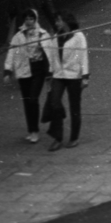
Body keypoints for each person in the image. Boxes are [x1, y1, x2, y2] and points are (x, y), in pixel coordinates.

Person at [2, 9, 55, 145]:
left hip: (38, 70)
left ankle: (35, 131)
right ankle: (31, 130)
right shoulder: (18, 36)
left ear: (36, 19)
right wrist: (8, 71)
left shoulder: (43, 35)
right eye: (26, 19)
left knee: (33, 98)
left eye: (31, 19)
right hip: (24, 70)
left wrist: (51, 71)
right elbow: (11, 53)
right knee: (27, 101)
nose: (29, 21)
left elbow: (50, 53)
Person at [43, 13, 87, 151]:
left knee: (75, 107)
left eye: (58, 20)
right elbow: (52, 57)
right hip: (59, 75)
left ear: (66, 21)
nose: (56, 23)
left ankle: (74, 138)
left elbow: (83, 55)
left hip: (74, 75)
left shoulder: (78, 36)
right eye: (56, 21)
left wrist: (85, 76)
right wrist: (50, 75)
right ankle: (58, 137)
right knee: (54, 101)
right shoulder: (55, 37)